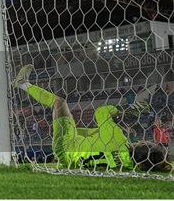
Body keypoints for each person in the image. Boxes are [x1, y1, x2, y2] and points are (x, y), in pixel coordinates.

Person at [13, 64, 172, 171]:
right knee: (94, 135)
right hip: (73, 160)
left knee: (59, 102)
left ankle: (22, 84)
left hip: (66, 146)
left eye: (147, 143)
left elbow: (101, 112)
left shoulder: (118, 138)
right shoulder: (128, 166)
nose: (145, 140)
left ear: (142, 146)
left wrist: (126, 110)